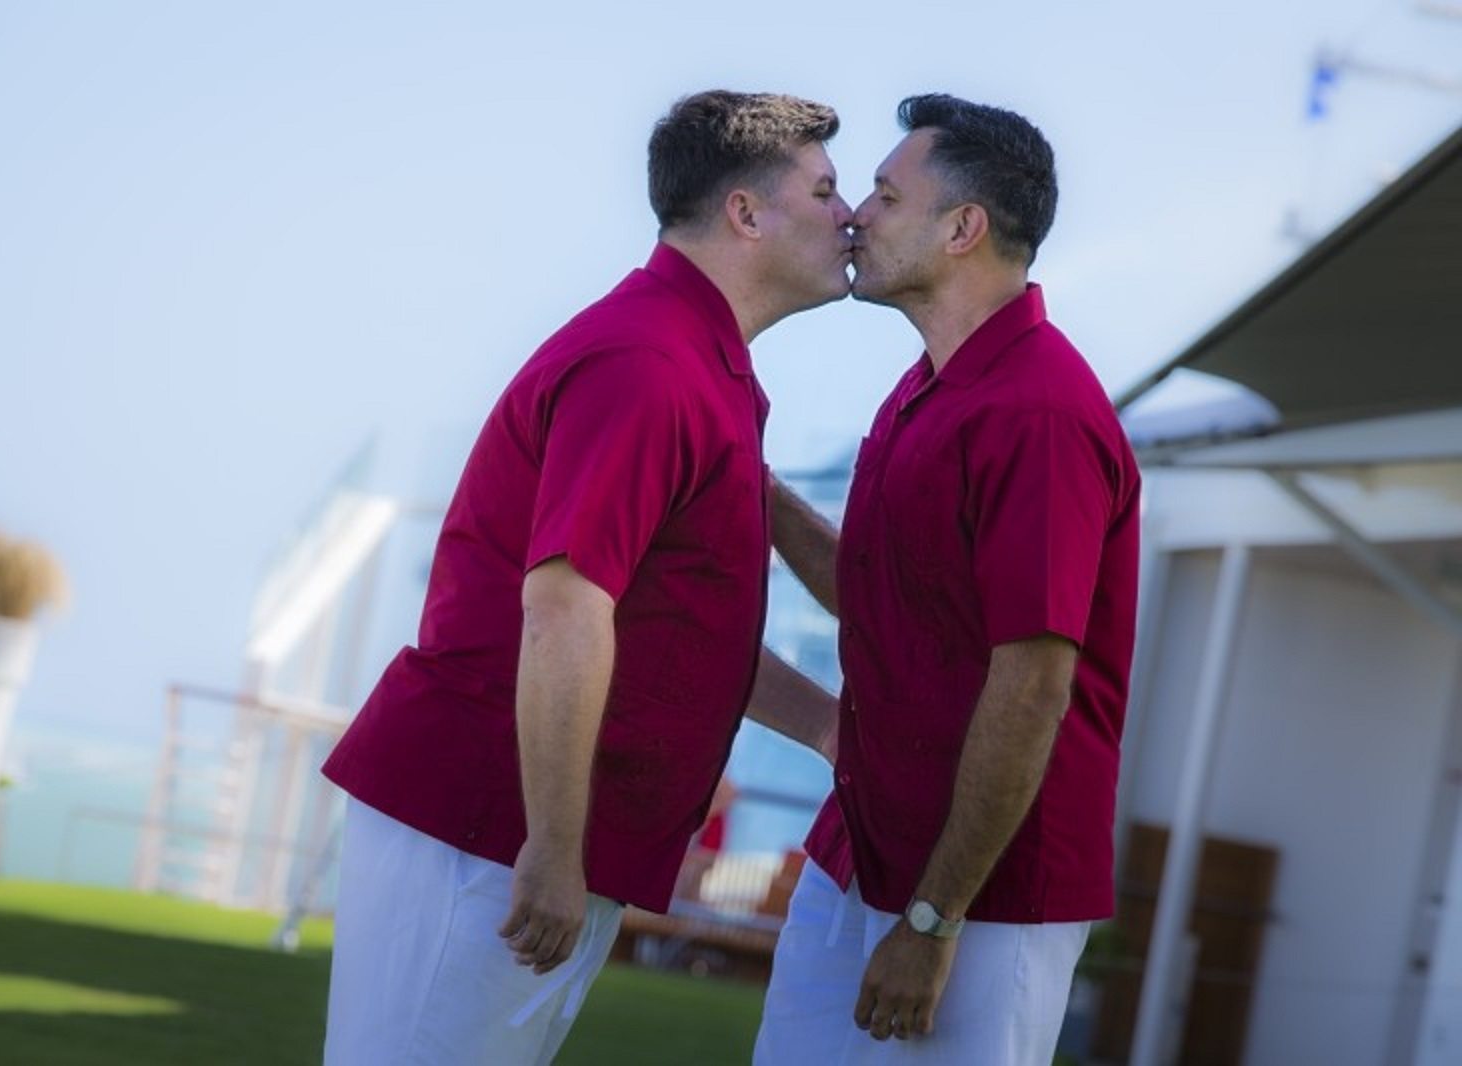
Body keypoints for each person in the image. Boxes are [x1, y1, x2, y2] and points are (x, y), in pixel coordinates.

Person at [318, 90, 854, 1065]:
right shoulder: (649, 364)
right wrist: (555, 846)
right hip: (488, 830)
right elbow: (565, 610)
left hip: (526, 835)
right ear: (744, 212)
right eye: (824, 190)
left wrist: (824, 725)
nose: (847, 214)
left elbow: (677, 636)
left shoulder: (701, 366)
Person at [752, 94, 1142, 1065]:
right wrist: (749, 491)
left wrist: (931, 920)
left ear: (962, 228)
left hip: (981, 898)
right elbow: (884, 602)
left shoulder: (1038, 413)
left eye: (885, 195)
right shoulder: (927, 385)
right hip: (859, 852)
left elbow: (1033, 683)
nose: (855, 216)